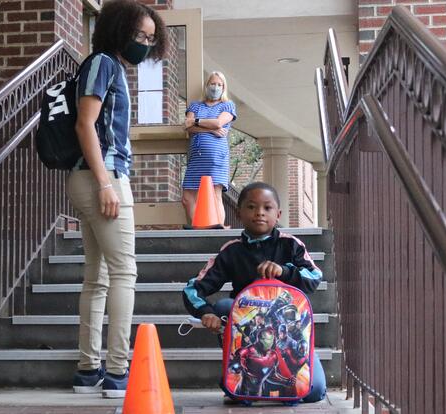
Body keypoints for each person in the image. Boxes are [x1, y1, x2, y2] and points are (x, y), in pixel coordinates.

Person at [67, 0, 168, 399]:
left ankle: (88, 371)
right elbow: (85, 124)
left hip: (90, 178)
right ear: (117, 29)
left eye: (150, 38)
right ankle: (116, 371)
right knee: (123, 272)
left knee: (98, 276)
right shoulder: (103, 64)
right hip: (101, 178)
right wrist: (107, 183)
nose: (144, 43)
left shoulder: (104, 66)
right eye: (139, 35)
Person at [182, 182, 327, 403]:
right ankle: (237, 374)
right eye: (251, 207)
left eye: (267, 208)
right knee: (224, 308)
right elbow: (193, 288)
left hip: (286, 333)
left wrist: (285, 271)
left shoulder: (291, 245)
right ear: (238, 213)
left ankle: (265, 385)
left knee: (313, 391)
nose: (259, 212)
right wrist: (205, 313)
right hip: (250, 331)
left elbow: (315, 277)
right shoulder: (232, 251)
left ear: (277, 214)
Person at [181, 71, 237, 227]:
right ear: (207, 85)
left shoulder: (227, 105)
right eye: (213, 83)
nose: (216, 87)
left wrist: (197, 121)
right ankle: (198, 227)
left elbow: (219, 123)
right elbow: (188, 127)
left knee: (215, 193)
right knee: (187, 197)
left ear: (224, 88)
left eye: (220, 85)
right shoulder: (195, 105)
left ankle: (218, 229)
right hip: (196, 157)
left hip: (216, 157)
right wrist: (210, 129)